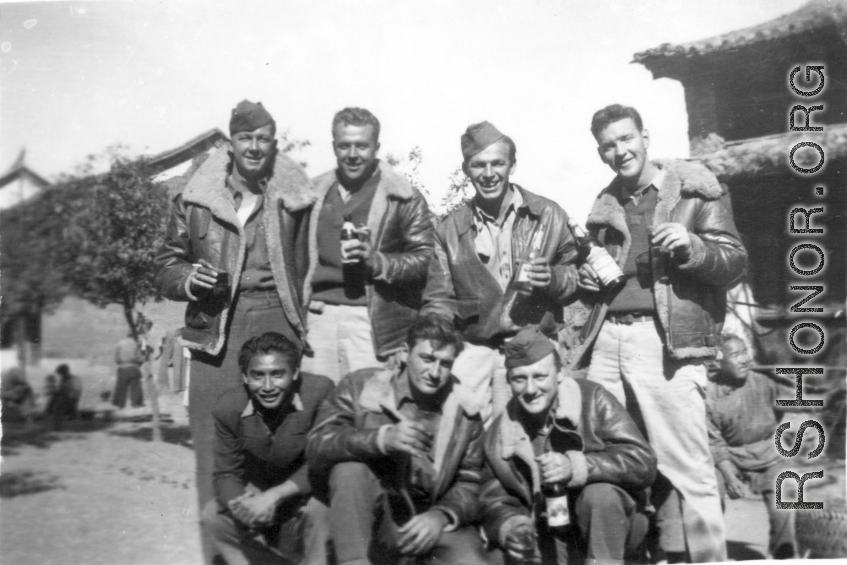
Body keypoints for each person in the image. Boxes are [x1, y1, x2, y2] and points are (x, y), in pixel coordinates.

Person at [567, 104, 747, 562]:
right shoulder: (605, 208)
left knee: (688, 467)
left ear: (645, 136)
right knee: (614, 457)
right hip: (607, 341)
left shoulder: (694, 193)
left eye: (626, 139)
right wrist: (588, 284)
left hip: (664, 344)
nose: (619, 151)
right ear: (600, 152)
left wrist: (694, 246)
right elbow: (604, 280)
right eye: (608, 145)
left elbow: (734, 264)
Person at [155, 100, 315, 563]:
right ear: (231, 143)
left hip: (276, 324)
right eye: (245, 138)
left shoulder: (294, 198)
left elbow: (311, 261)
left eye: (263, 139)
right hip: (215, 331)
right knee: (211, 452)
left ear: (274, 145)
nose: (254, 147)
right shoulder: (195, 199)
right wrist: (188, 280)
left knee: (275, 445)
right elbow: (166, 264)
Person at [422, 121, 579, 423]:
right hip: (476, 350)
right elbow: (438, 300)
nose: (489, 174)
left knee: (539, 441)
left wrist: (554, 279)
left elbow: (575, 275)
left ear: (513, 165)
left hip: (535, 349)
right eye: (479, 165)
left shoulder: (549, 214)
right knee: (462, 436)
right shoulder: (449, 230)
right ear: (467, 169)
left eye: (498, 163)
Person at [306, 314, 491, 565]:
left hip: (427, 521)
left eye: (445, 364)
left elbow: (470, 482)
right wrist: (380, 440)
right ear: (405, 353)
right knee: (349, 470)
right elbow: (318, 444)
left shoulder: (465, 412)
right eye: (427, 359)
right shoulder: (361, 387)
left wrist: (440, 516)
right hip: (372, 517)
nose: (435, 372)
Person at [479, 326, 656, 564]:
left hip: (614, 528)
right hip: (547, 534)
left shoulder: (593, 398)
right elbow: (494, 499)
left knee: (599, 496)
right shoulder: (500, 432)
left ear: (560, 373)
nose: (530, 390)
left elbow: (643, 462)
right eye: (520, 379)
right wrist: (512, 526)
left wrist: (576, 467)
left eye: (540, 376)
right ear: (509, 381)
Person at [301, 107, 434, 383]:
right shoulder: (311, 195)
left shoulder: (402, 196)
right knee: (317, 412)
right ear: (334, 146)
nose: (352, 154)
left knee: (368, 412)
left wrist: (378, 261)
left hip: (372, 322)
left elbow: (425, 260)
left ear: (376, 147)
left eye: (361, 145)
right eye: (344, 145)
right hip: (318, 319)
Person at [201, 332, 334, 565]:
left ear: (294, 373)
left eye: (277, 374)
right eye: (258, 376)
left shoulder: (319, 392)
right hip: (259, 491)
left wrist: (274, 496)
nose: (268, 386)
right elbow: (225, 473)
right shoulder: (228, 407)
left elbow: (322, 459)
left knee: (320, 509)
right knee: (213, 514)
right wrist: (245, 506)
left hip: (305, 490)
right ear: (245, 377)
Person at [706, 334, 797, 559]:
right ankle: (711, 554)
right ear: (719, 361)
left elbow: (796, 400)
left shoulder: (763, 381)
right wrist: (729, 477)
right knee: (710, 488)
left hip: (768, 453)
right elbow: (714, 441)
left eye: (745, 352)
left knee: (785, 492)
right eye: (736, 355)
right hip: (730, 457)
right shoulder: (709, 392)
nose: (744, 359)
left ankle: (783, 554)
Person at [113, 335, 144, 410]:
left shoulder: (119, 343)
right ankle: (135, 404)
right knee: (135, 386)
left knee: (121, 387)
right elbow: (140, 358)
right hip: (133, 367)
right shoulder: (135, 344)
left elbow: (116, 359)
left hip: (122, 368)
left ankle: (120, 405)